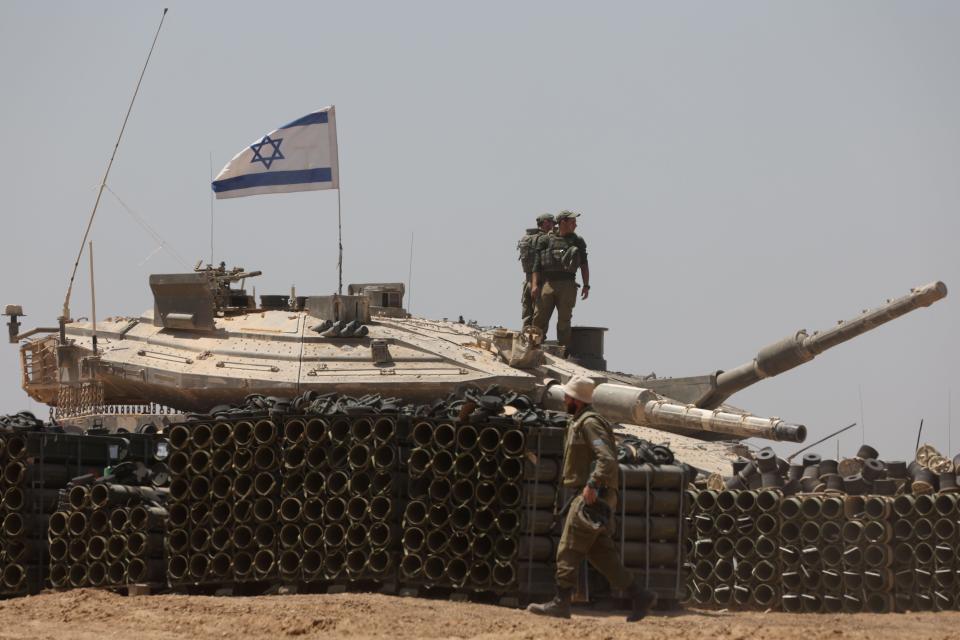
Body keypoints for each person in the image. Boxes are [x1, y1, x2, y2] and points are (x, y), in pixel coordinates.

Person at [526, 375, 657, 622]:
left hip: (591, 498)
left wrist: (592, 484)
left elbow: (606, 458)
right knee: (602, 555)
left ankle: (560, 603)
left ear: (576, 400)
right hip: (590, 496)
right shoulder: (581, 421)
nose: (564, 399)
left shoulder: (590, 423)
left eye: (567, 396)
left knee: (568, 549)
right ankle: (640, 595)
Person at [530, 210, 589, 349]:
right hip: (548, 284)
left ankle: (563, 352)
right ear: (563, 222)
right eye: (572, 222)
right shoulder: (546, 240)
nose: (575, 225)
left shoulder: (577, 241)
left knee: (564, 320)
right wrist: (534, 285)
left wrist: (586, 285)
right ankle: (533, 348)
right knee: (539, 319)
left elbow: (584, 264)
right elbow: (536, 265)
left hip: (568, 284)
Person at [517, 213, 555, 328]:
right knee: (540, 317)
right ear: (545, 223)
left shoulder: (527, 238)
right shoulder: (546, 239)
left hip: (527, 281)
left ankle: (525, 342)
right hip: (540, 282)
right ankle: (537, 342)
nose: (553, 225)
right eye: (551, 222)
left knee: (527, 315)